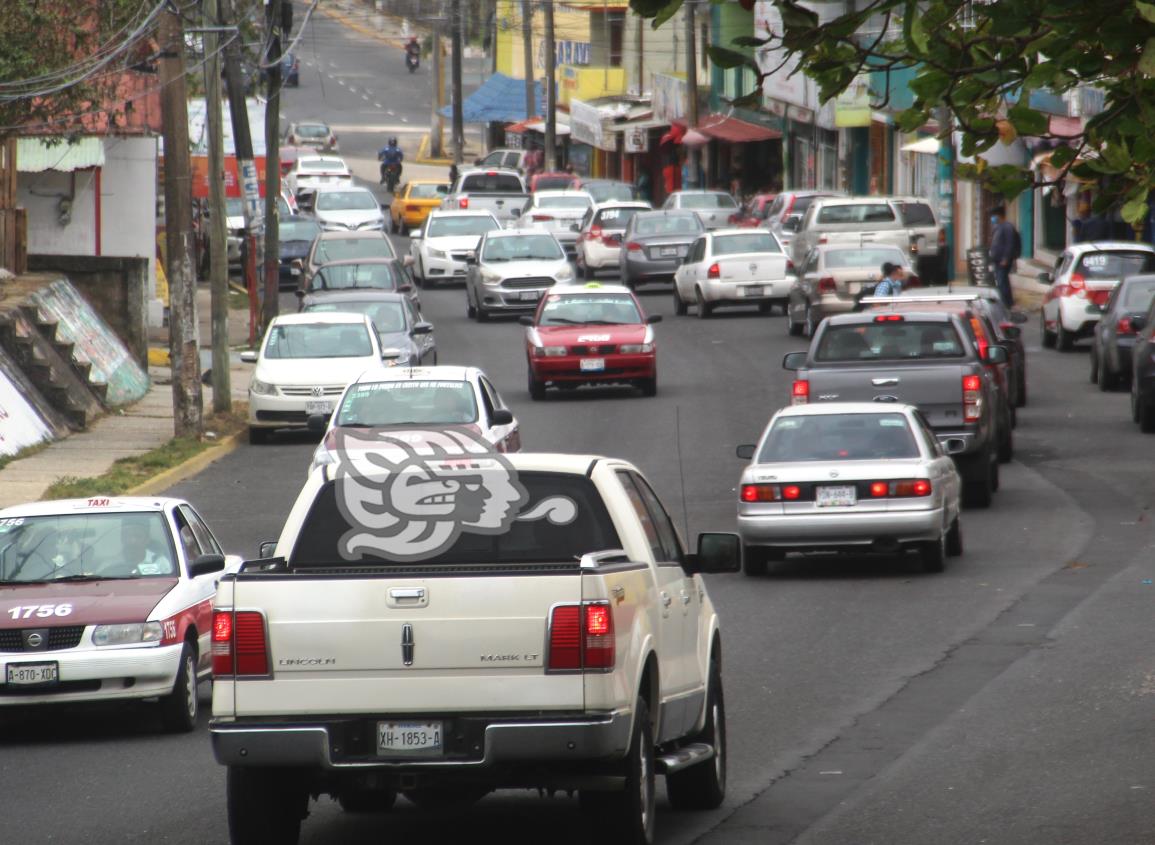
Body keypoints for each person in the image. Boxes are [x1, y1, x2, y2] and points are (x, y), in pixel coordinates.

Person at [988, 205, 1020, 307]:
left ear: (999, 216)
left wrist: (1006, 258)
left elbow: (1010, 244)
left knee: (1002, 282)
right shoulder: (997, 227)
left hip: (1003, 261)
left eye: (994, 216)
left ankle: (1007, 303)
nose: (992, 218)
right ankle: (1007, 302)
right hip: (997, 260)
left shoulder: (1007, 227)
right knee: (1002, 281)